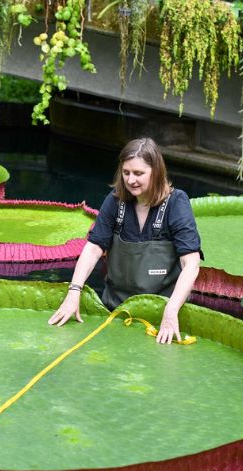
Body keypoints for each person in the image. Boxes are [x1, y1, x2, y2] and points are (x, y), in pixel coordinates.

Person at [48, 138, 202, 343]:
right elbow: (93, 248)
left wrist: (171, 309)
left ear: (156, 172)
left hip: (163, 312)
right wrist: (74, 291)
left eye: (138, 173)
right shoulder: (115, 200)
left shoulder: (176, 203)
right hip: (116, 309)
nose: (131, 180)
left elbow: (191, 263)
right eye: (126, 172)